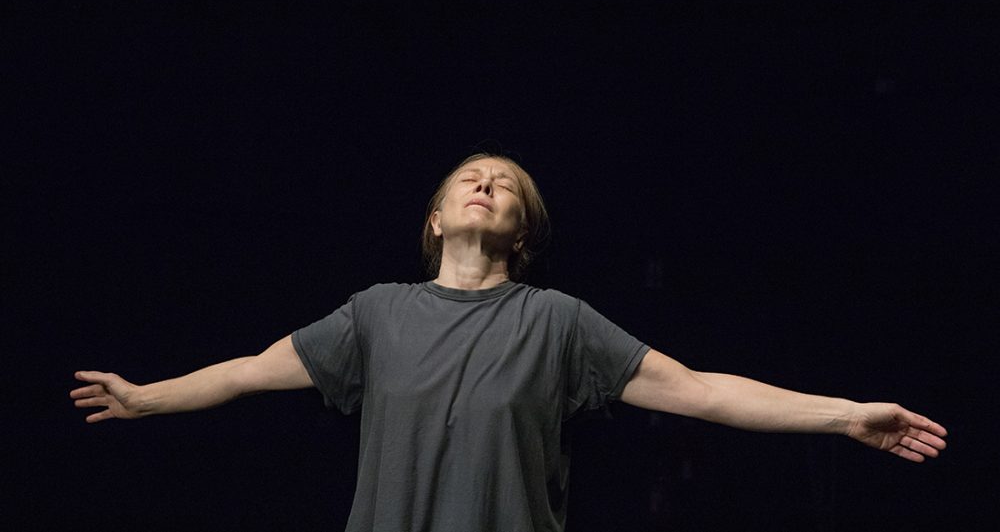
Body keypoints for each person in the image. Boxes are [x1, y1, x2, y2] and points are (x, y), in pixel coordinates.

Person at [71, 153, 948, 532]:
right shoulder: (376, 313)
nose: (487, 184)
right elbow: (248, 372)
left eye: (505, 184)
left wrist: (843, 416)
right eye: (470, 178)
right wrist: (147, 395)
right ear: (435, 217)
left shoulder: (558, 321)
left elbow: (702, 389)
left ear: (522, 229)